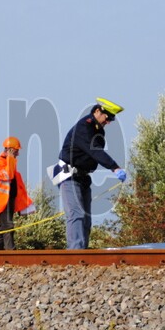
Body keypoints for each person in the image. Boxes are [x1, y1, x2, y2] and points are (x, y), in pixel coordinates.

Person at [50, 98, 127, 249]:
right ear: (97, 111)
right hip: (68, 175)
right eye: (108, 117)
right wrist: (114, 167)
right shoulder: (84, 127)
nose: (109, 121)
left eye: (112, 118)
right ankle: (75, 254)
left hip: (83, 177)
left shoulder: (97, 130)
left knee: (86, 218)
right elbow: (95, 151)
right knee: (76, 214)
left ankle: (83, 254)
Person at [0, 136, 34, 250]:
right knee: (8, 225)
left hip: (7, 200)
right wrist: (10, 159)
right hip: (0, 201)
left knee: (5, 226)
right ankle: (11, 251)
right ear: (10, 149)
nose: (18, 154)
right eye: (16, 151)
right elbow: (8, 176)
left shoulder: (9, 163)